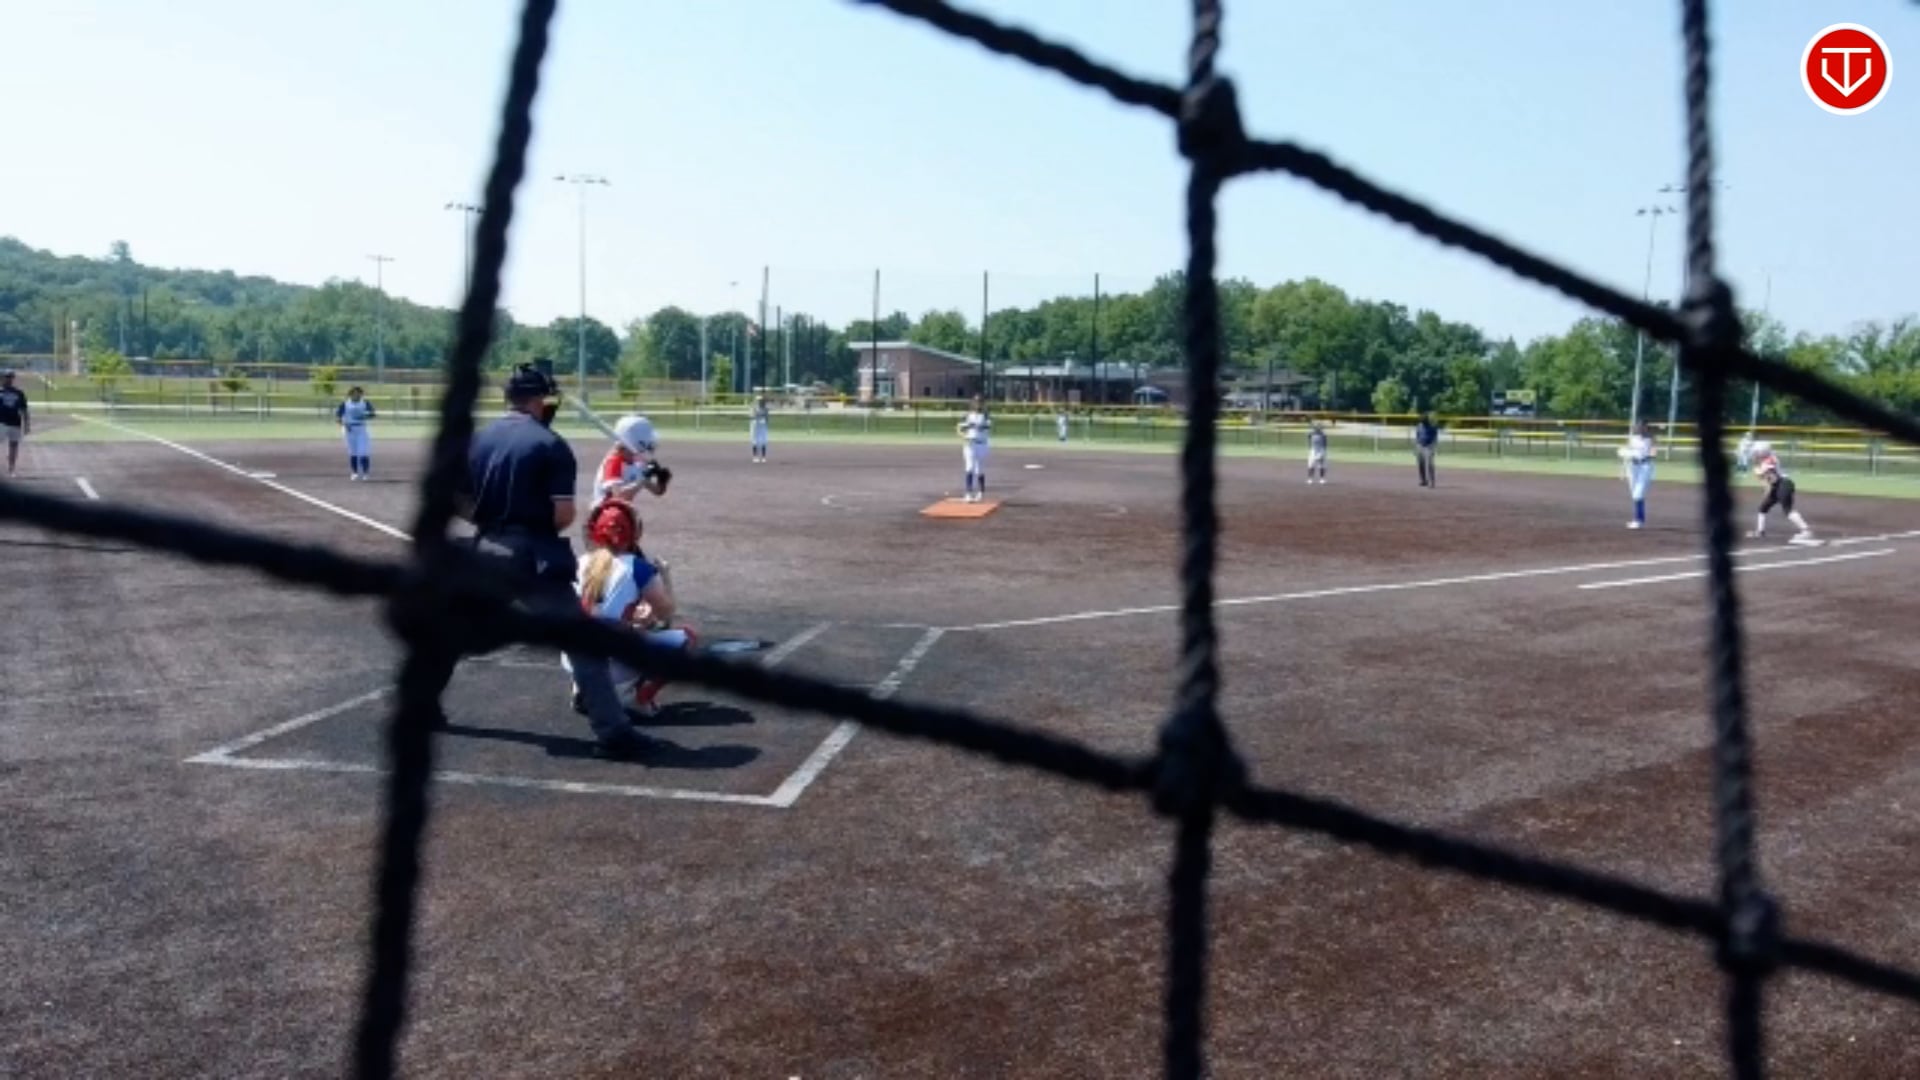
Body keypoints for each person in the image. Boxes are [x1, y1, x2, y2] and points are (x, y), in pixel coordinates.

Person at [454, 360, 660, 759]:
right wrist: (526, 525)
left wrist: (492, 523)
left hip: (486, 549)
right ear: (539, 399)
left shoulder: (478, 440)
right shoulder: (550, 445)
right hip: (532, 557)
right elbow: (563, 515)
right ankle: (614, 733)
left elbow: (456, 499)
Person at [564, 497, 696, 718]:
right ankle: (638, 699)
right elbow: (666, 614)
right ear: (633, 532)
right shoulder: (637, 568)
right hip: (613, 660)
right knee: (688, 638)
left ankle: (581, 686)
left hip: (574, 659)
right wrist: (665, 576)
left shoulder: (578, 562)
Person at [590, 414, 670, 516]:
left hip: (621, 515)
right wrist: (643, 480)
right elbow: (618, 497)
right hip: (604, 517)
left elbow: (657, 491)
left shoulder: (636, 462)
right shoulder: (614, 462)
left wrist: (662, 480)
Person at [1750, 457, 1815, 543]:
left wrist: (1762, 476)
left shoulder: (1766, 465)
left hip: (1784, 485)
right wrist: (1762, 478)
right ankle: (1760, 531)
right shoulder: (1763, 467)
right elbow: (1768, 481)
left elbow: (1772, 477)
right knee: (1763, 508)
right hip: (1777, 487)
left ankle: (1806, 531)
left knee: (1787, 510)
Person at [956, 394, 993, 502]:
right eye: (976, 402)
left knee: (979, 469)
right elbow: (959, 428)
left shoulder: (985, 415)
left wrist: (975, 425)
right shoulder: (967, 415)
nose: (978, 404)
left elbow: (987, 427)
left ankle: (981, 492)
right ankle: (968, 493)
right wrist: (963, 436)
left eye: (980, 402)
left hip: (982, 444)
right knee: (969, 467)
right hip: (970, 444)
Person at [1619, 421, 1656, 529]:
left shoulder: (1651, 439)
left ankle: (1638, 520)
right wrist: (1622, 469)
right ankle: (1640, 518)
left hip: (1645, 466)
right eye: (1639, 426)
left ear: (1646, 428)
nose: (1640, 429)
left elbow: (1653, 453)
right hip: (1632, 467)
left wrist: (1645, 454)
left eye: (1643, 427)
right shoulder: (1632, 438)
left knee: (1638, 494)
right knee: (1635, 495)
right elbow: (1626, 453)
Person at [335, 386, 376, 480]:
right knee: (353, 452)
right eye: (354, 393)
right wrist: (343, 424)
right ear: (350, 394)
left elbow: (373, 414)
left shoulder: (365, 403)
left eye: (359, 393)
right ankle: (354, 472)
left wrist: (365, 416)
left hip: (361, 428)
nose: (357, 395)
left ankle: (365, 473)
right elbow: (338, 417)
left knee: (363, 451)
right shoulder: (345, 404)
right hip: (350, 429)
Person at [0, 370, 30, 478]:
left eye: (10, 377)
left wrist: (26, 424)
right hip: (1, 423)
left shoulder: (19, 393)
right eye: (6, 377)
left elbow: (24, 410)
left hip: (15, 422)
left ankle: (11, 469)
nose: (8, 379)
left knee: (13, 446)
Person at [1412, 412, 1439, 487]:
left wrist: (1433, 447)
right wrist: (1416, 447)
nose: (1422, 421)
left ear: (1427, 420)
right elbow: (1417, 436)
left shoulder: (1432, 427)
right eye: (1421, 420)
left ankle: (1431, 482)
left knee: (1430, 464)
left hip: (1429, 446)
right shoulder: (1419, 426)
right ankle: (1423, 480)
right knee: (1421, 464)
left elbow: (1435, 438)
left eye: (1424, 420)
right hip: (1420, 446)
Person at [1306, 420, 1329, 484]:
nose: (1318, 427)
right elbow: (1309, 438)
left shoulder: (1323, 434)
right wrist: (1310, 448)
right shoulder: (1311, 433)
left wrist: (1323, 451)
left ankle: (1322, 479)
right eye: (1317, 426)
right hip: (1313, 450)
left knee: (1321, 465)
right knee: (1311, 464)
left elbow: (1325, 443)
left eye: (1319, 426)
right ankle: (1310, 479)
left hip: (1321, 450)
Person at [750, 394, 770, 463]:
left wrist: (764, 421)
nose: (761, 402)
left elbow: (767, 418)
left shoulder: (765, 409)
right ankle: (755, 456)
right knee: (755, 441)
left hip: (763, 426)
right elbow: (752, 416)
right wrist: (756, 418)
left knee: (764, 441)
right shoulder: (754, 408)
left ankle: (763, 457)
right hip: (755, 426)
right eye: (759, 401)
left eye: (762, 401)